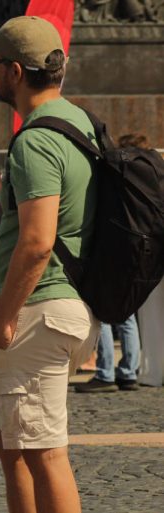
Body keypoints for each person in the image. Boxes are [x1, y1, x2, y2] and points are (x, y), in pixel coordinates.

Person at [0, 16, 101, 513]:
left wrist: (3, 313)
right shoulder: (79, 122)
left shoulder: (36, 141)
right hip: (66, 302)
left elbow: (37, 241)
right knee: (10, 443)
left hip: (38, 307)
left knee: (46, 453)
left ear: (16, 72)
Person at [119, 132, 164, 387]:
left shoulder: (127, 173)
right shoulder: (159, 169)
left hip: (147, 250)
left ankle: (153, 371)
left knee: (150, 313)